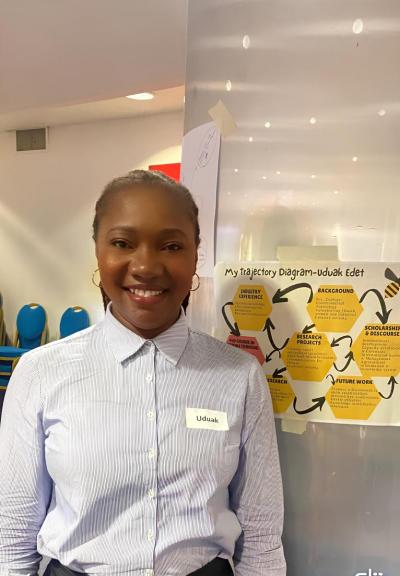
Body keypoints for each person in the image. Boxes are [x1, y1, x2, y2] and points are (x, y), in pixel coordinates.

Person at [0, 170, 286, 576]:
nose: (146, 266)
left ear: (194, 255)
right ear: (98, 251)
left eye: (171, 245)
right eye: (122, 243)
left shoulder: (239, 376)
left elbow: (261, 535)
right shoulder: (40, 373)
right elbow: (12, 532)